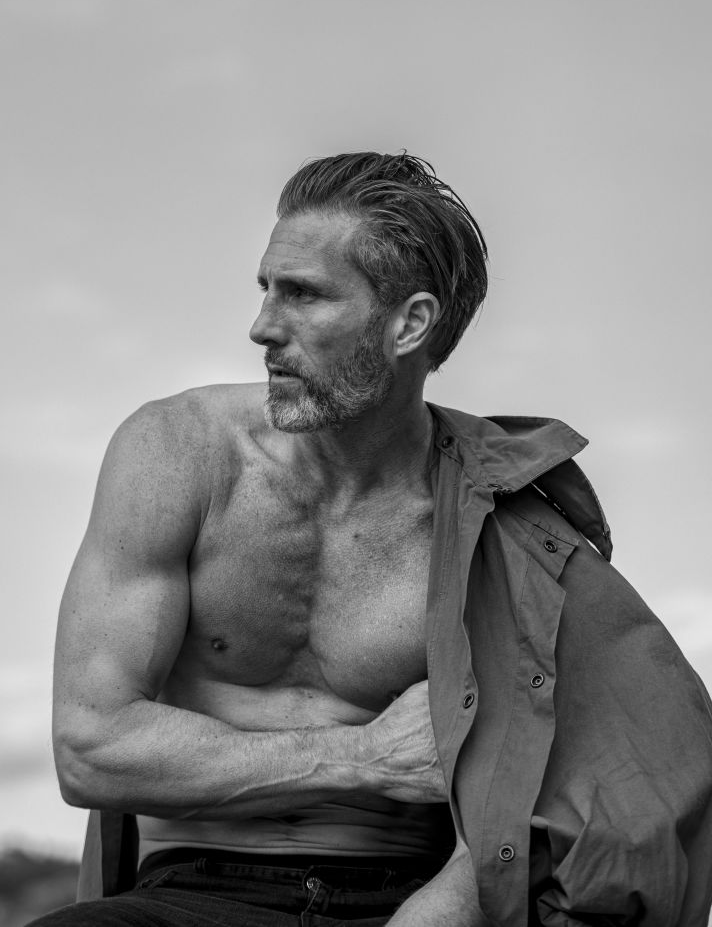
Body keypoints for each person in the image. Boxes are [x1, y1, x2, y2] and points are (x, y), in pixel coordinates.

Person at [34, 153, 712, 926]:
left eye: (303, 295)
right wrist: (363, 757)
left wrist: (434, 916)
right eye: (266, 289)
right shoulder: (176, 453)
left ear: (409, 324)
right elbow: (90, 747)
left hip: (407, 900)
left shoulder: (501, 521)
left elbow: (575, 779)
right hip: (187, 892)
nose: (263, 328)